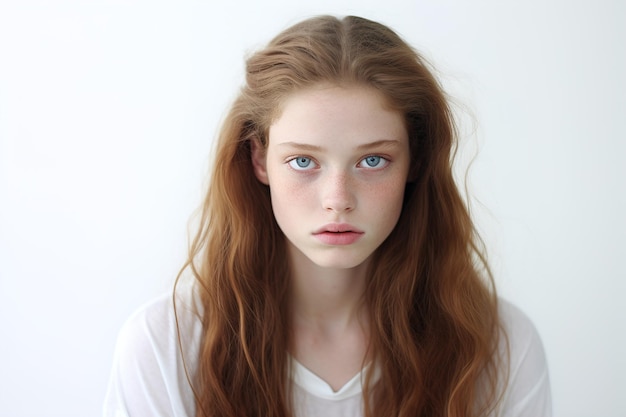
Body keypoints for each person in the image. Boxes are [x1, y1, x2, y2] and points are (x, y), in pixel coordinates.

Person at [103, 15, 551, 417]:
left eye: (372, 161)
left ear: (415, 160)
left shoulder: (498, 346)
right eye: (303, 161)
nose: (338, 200)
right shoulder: (167, 346)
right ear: (259, 160)